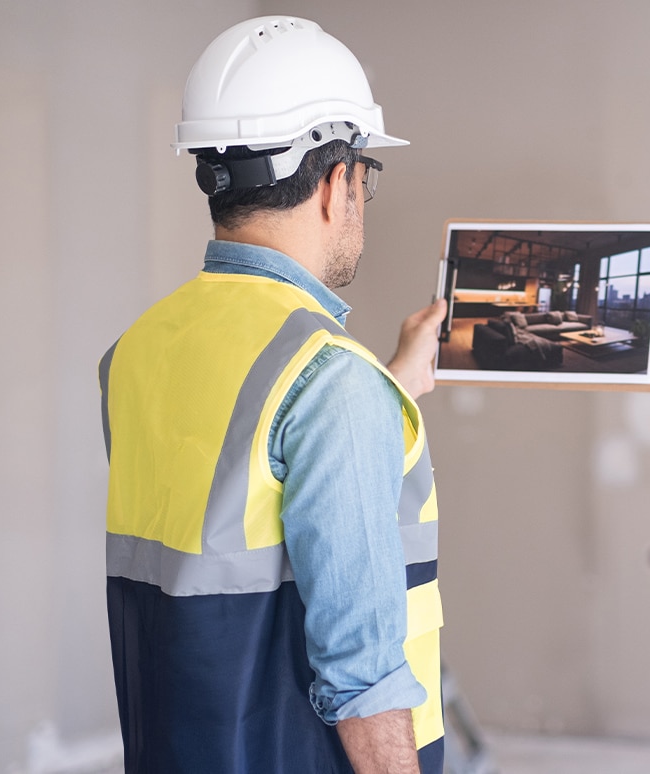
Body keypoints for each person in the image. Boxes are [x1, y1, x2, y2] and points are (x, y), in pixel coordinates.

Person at [98, 15, 447, 773]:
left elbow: (242, 489)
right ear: (337, 182)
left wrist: (393, 379)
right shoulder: (329, 382)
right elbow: (363, 673)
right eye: (366, 178)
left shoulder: (137, 351)